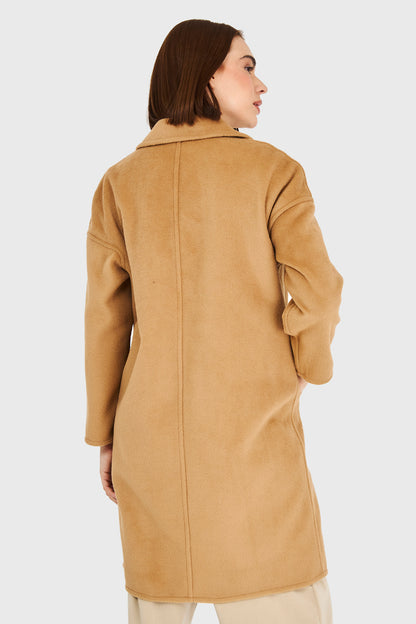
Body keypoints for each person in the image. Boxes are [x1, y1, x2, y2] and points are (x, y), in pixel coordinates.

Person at [84, 18, 343, 624]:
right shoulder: (273, 171)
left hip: (148, 449)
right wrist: (308, 367)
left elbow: (104, 321)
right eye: (247, 67)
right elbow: (319, 291)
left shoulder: (118, 184)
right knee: (282, 595)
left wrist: (106, 433)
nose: (262, 83)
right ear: (204, 77)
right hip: (251, 442)